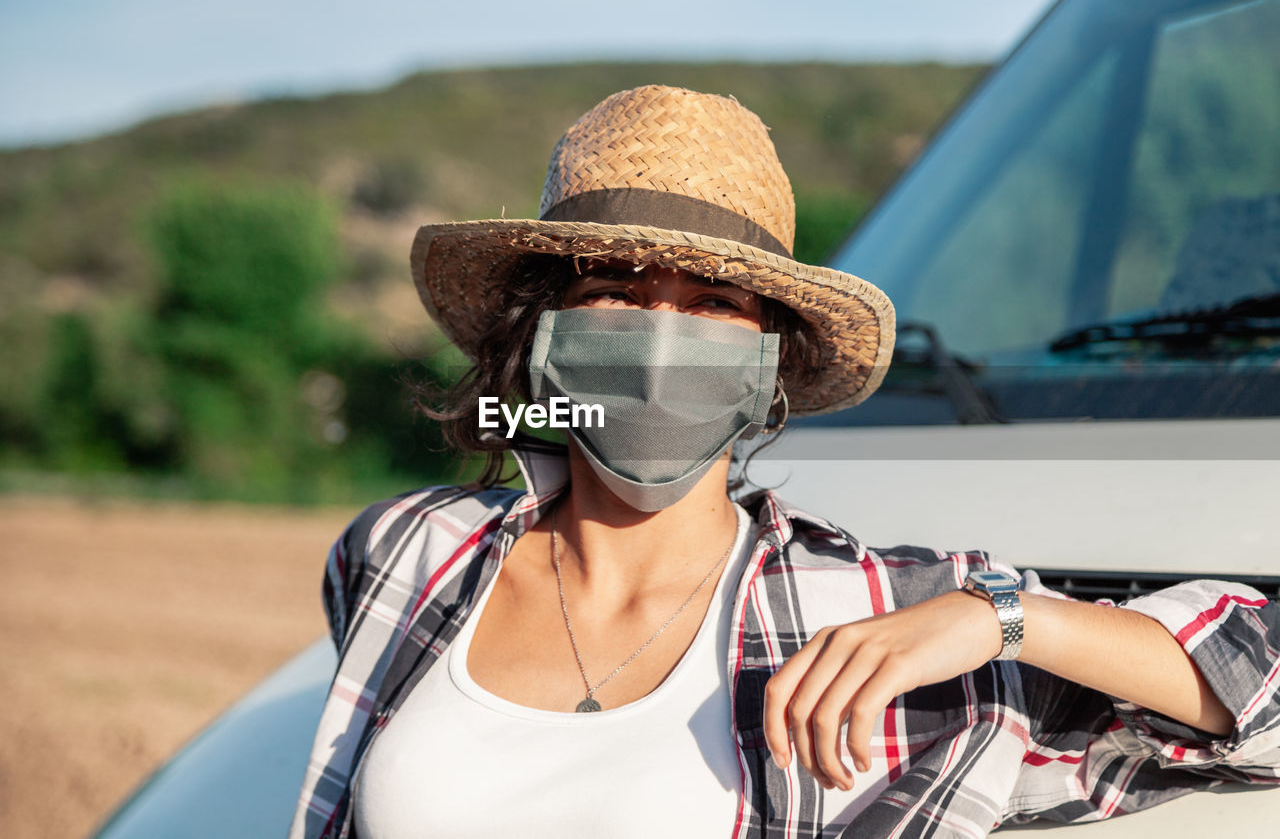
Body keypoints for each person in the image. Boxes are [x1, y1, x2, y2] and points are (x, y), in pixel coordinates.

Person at [291, 85, 1280, 839]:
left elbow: (1260, 699)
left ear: (770, 361)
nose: (660, 338)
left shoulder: (867, 613)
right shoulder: (404, 549)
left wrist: (1003, 615)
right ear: (542, 331)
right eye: (615, 288)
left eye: (714, 302)